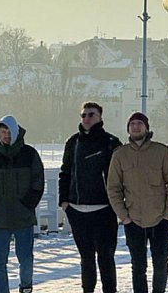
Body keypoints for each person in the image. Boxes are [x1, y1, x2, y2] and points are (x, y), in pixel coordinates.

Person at [107, 112, 168, 293]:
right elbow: (113, 188)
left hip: (160, 219)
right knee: (138, 267)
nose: (135, 127)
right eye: (132, 124)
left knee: (161, 264)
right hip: (133, 220)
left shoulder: (161, 151)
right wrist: (124, 217)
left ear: (146, 127)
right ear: (128, 129)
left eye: (139, 123)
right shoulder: (120, 155)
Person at [59, 102, 123, 293]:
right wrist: (64, 201)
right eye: (84, 115)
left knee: (105, 257)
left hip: (104, 210)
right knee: (86, 258)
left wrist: (118, 204)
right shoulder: (73, 142)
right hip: (77, 211)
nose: (86, 118)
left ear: (100, 117)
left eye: (91, 115)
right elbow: (65, 172)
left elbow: (121, 177)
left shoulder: (111, 143)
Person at [0, 115, 45, 293]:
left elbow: (38, 182)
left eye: (8, 132)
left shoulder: (29, 154)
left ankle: (25, 287)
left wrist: (27, 205)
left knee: (25, 258)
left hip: (23, 217)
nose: (6, 135)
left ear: (15, 132)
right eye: (2, 132)